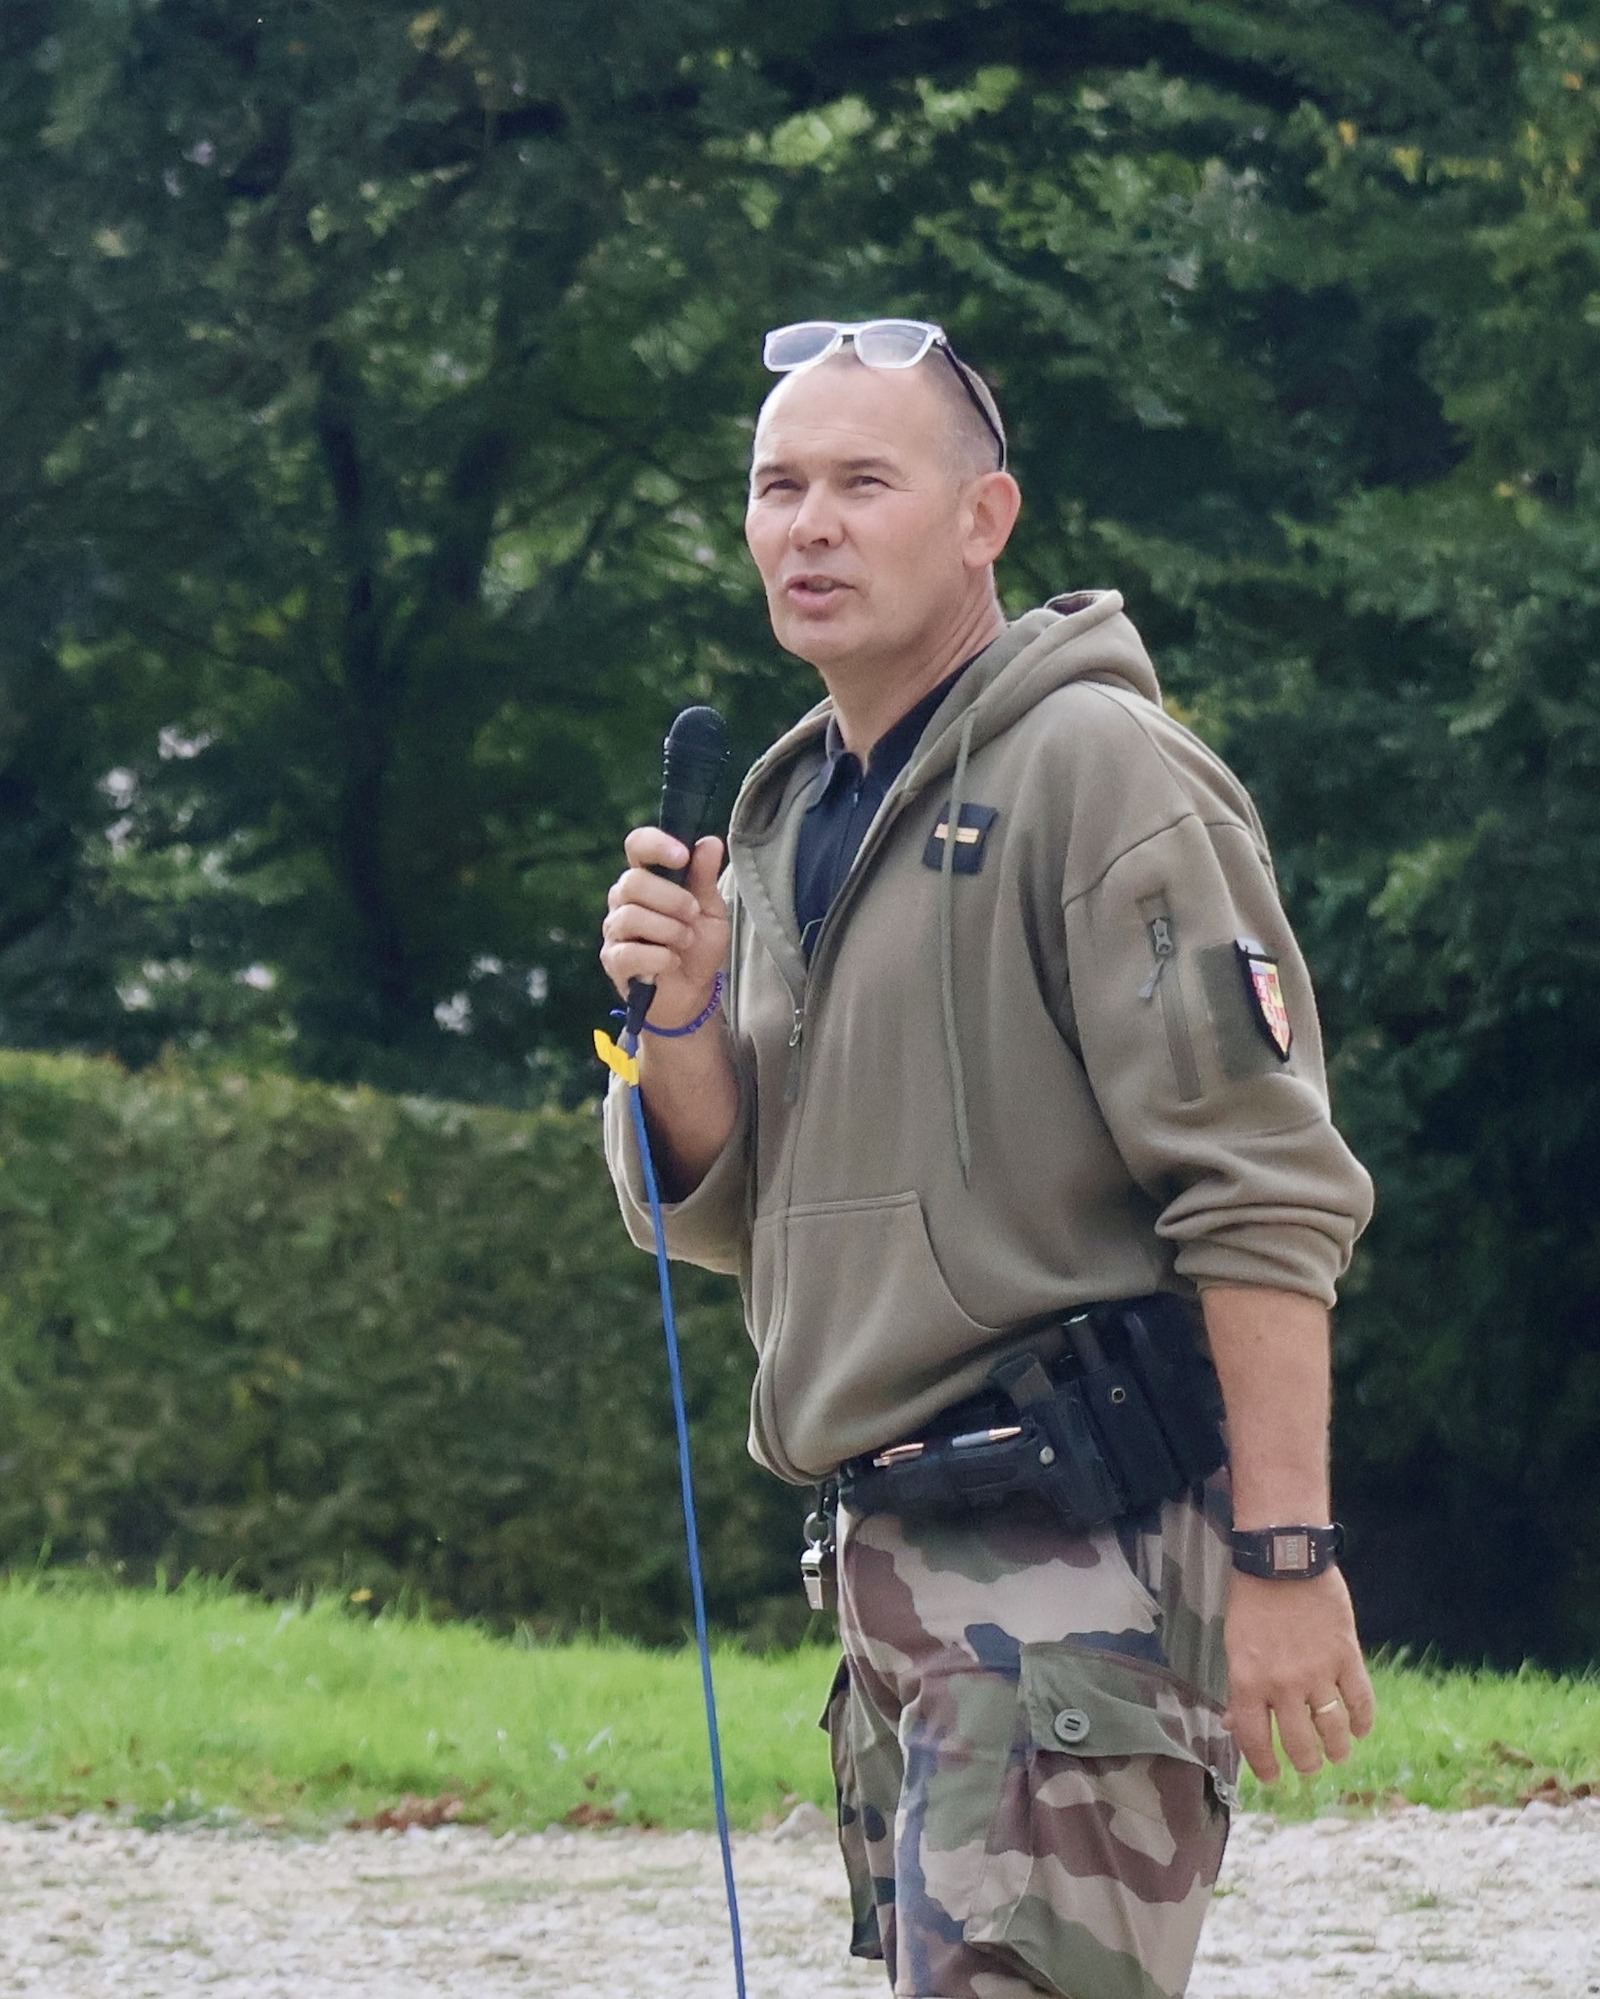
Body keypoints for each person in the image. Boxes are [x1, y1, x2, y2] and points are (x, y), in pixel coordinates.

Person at [598, 317, 1376, 1999]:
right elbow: (736, 1210)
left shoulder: (1097, 769)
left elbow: (1262, 1186)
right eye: (778, 487)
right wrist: (685, 1014)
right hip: (891, 1572)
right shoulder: (793, 809)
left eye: (862, 482)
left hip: (1072, 1569)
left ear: (983, 518)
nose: (809, 526)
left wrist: (1285, 1557)